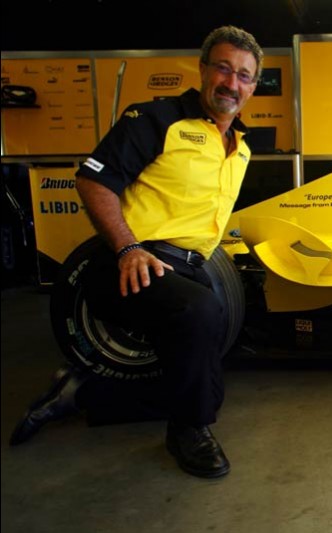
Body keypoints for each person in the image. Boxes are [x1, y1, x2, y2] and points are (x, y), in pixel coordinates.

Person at [9, 25, 264, 478]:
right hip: (125, 261)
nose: (232, 83)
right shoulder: (157, 119)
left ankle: (81, 393)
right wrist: (128, 247)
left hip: (188, 267)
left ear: (252, 86)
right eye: (223, 69)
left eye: (244, 75)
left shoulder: (241, 147)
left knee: (211, 375)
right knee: (200, 318)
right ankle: (189, 430)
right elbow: (93, 180)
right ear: (203, 70)